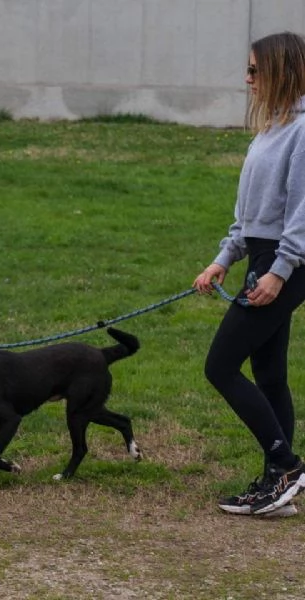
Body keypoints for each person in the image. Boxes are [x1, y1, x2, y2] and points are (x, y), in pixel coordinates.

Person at [193, 31, 305, 517]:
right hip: (263, 256)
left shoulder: (302, 131)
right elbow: (250, 216)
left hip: (288, 262)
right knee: (269, 373)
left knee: (220, 365)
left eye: (255, 70)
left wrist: (278, 272)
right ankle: (277, 486)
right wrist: (224, 257)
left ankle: (285, 467)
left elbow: (302, 212)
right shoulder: (270, 130)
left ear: (282, 70)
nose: (247, 79)